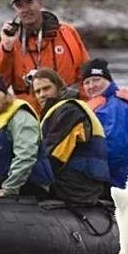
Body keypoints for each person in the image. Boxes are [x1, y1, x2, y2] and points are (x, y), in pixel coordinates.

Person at [0, 0, 90, 113]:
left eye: (29, 2)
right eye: (19, 5)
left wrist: (85, 109)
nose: (25, 9)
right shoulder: (10, 43)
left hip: (69, 112)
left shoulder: (67, 33)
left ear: (39, 3)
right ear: (15, 10)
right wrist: (6, 48)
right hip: (30, 118)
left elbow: (87, 75)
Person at [32, 68, 109, 204]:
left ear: (59, 87)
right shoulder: (55, 112)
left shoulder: (70, 111)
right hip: (73, 180)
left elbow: (54, 158)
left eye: (46, 89)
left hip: (80, 186)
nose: (41, 95)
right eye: (37, 91)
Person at [0, 71, 52, 197]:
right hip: (1, 179)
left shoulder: (21, 118)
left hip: (30, 183)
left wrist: (8, 189)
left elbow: (26, 157)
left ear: (6, 95)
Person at [81, 58, 128, 189]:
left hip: (121, 177)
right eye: (87, 82)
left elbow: (114, 147)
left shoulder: (118, 106)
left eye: (96, 80)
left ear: (109, 81)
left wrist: (86, 170)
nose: (91, 86)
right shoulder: (101, 103)